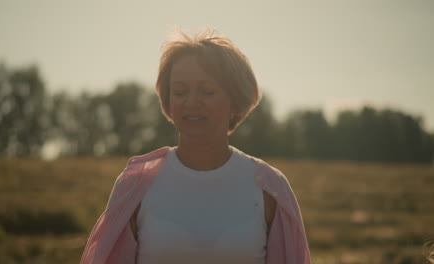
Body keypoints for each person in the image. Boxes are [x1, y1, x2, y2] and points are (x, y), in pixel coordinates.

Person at [80, 28, 312, 264]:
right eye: (180, 91)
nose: (191, 103)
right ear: (167, 101)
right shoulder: (135, 185)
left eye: (207, 91)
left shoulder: (270, 188)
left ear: (235, 99)